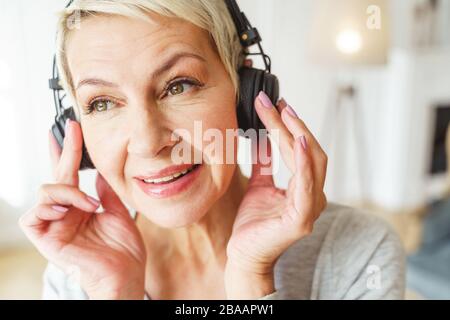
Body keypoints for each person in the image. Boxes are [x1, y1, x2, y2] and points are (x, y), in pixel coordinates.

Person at [19, 0, 405, 300]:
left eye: (179, 85)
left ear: (248, 93)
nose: (149, 142)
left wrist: (251, 278)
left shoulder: (359, 251)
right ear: (76, 133)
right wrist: (115, 292)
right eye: (102, 103)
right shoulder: (78, 273)